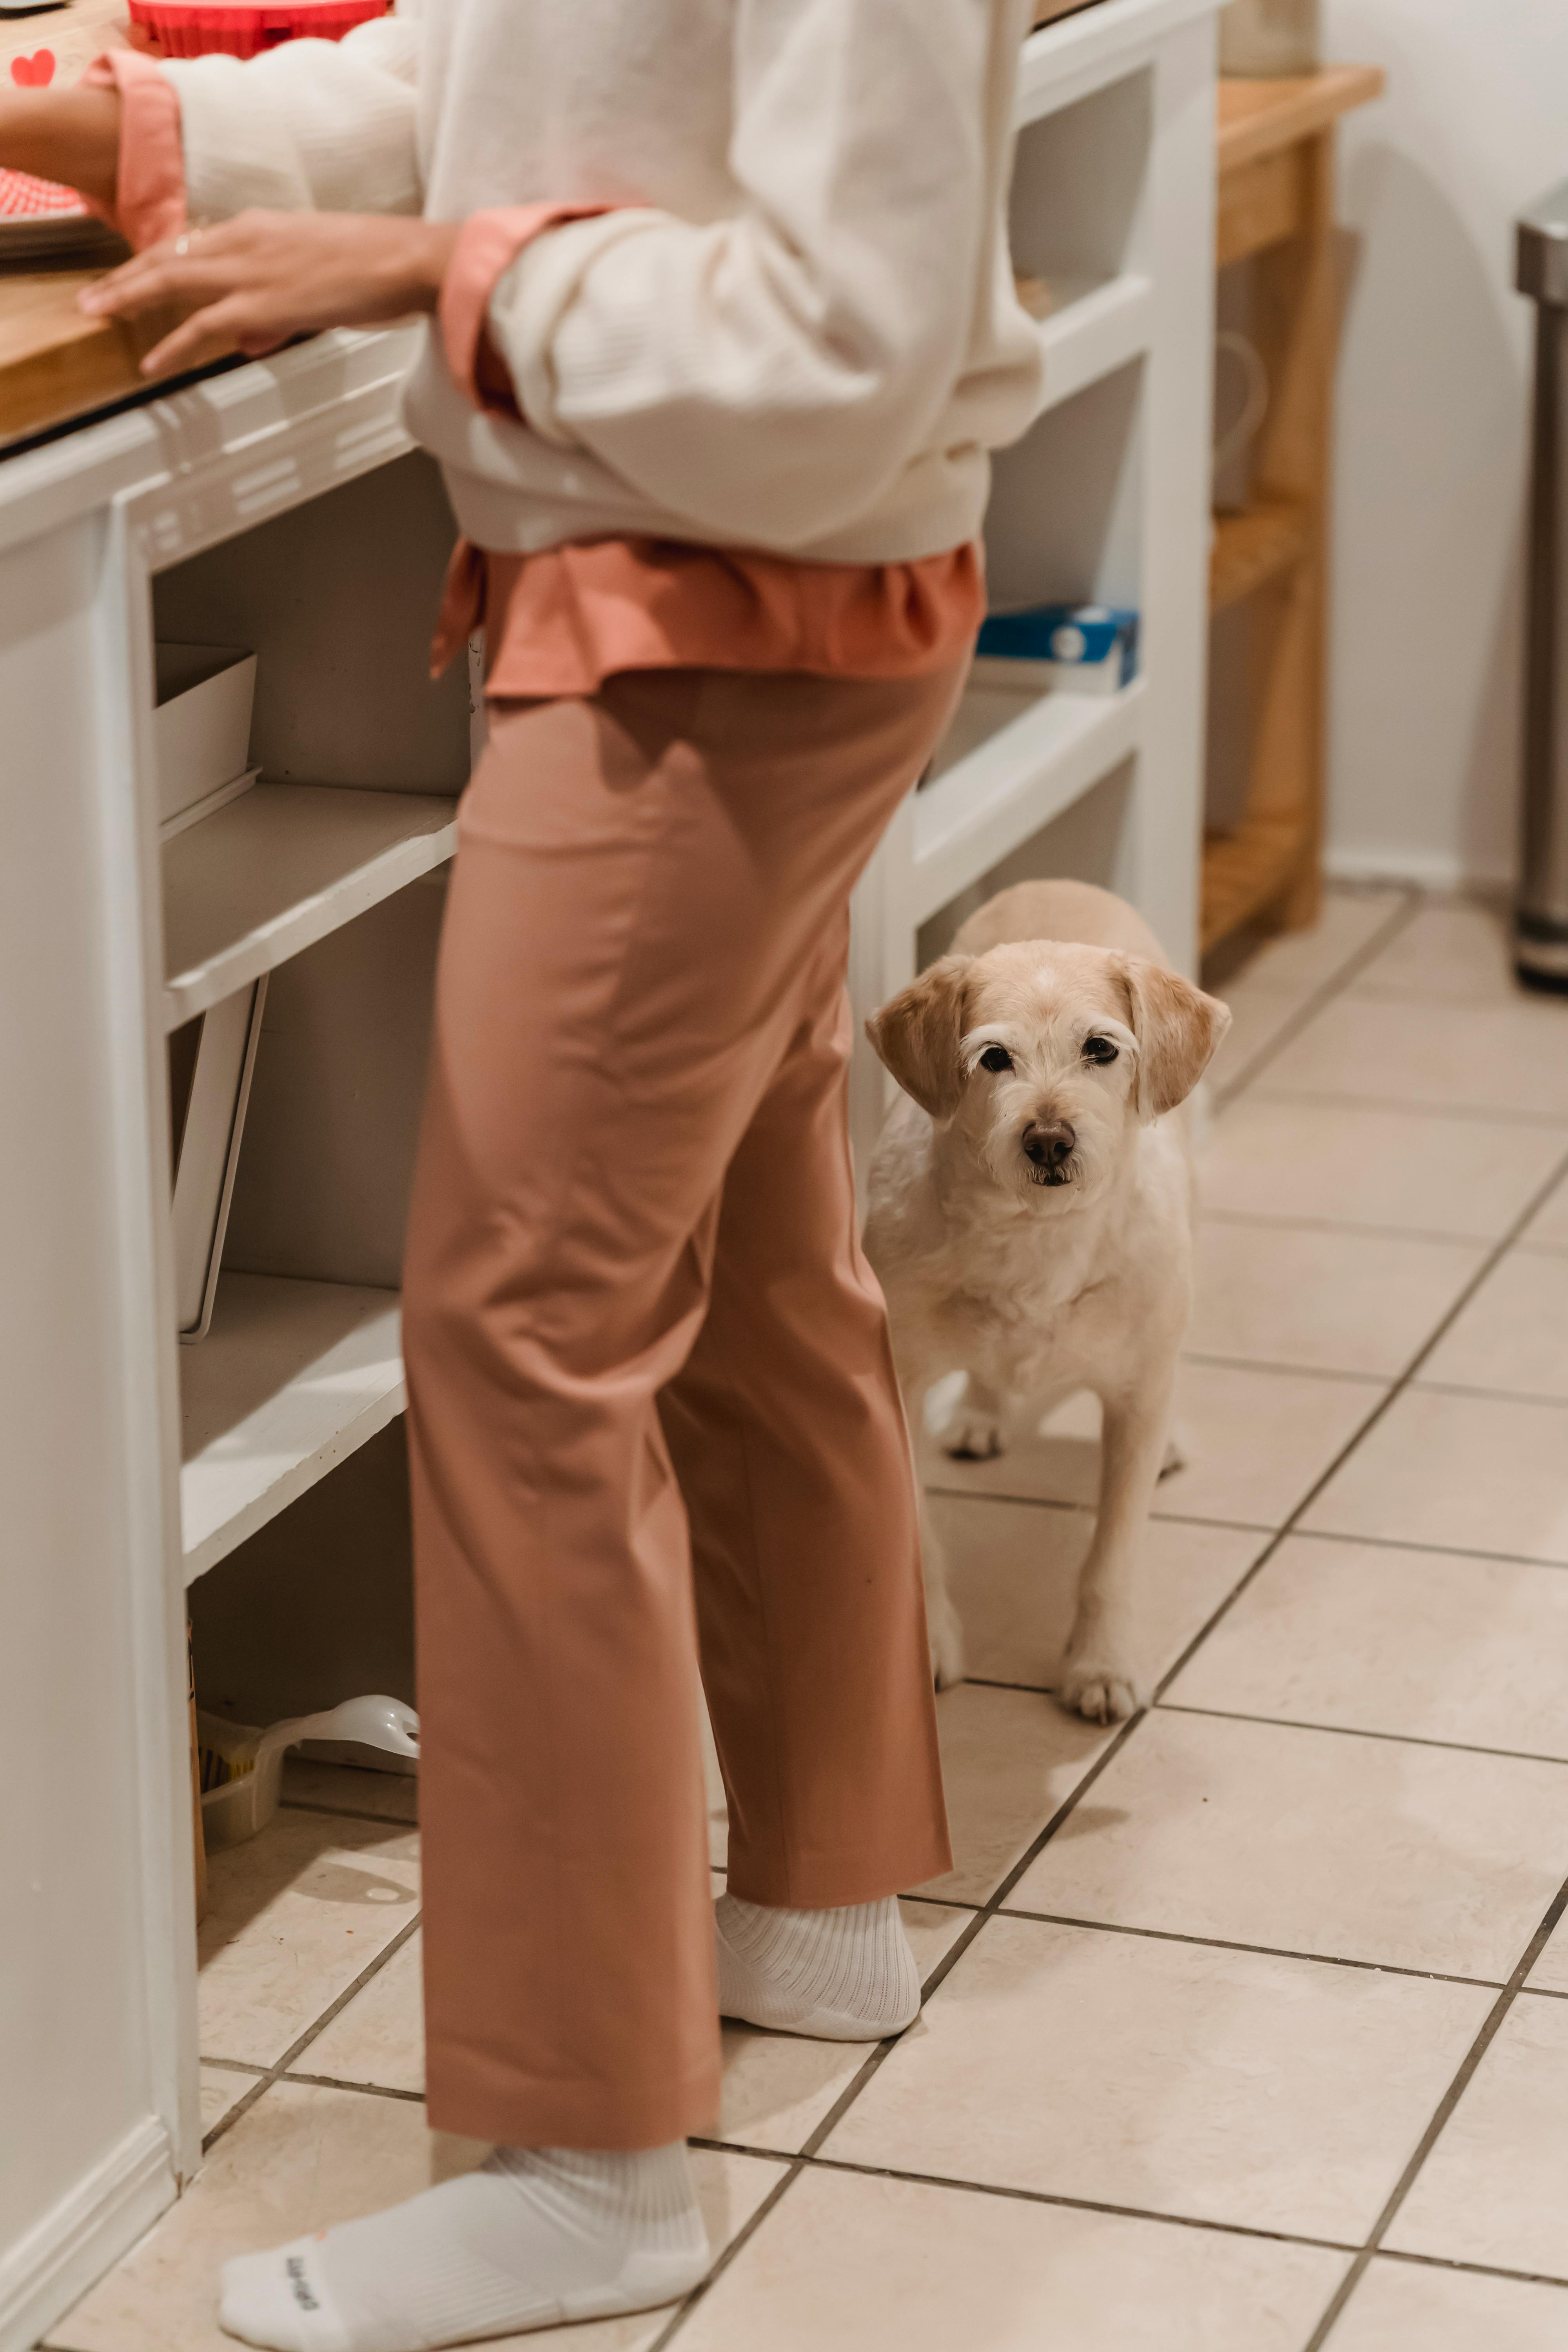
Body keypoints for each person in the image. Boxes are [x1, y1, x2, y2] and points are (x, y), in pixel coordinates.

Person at [2, 4, 1043, 2341]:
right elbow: (541, 59)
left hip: (711, 624)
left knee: (525, 1339)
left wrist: (430, 272)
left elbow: (841, 339)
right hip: (770, 610)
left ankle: (583, 2162)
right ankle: (820, 1900)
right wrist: (120, 120)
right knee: (756, 1257)